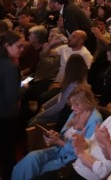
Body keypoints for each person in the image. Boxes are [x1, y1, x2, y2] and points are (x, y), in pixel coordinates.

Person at [12, 85, 103, 180]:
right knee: (31, 158)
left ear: (86, 102)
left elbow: (84, 152)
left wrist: (60, 142)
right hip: (58, 150)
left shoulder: (95, 120)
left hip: (69, 160)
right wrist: (56, 136)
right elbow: (65, 135)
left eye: (76, 104)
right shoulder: (76, 112)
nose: (72, 108)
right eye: (71, 104)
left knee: (37, 171)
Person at [0, 30, 24, 180]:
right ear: (7, 45)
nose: (22, 49)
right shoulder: (10, 67)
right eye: (19, 46)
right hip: (5, 115)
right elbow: (11, 97)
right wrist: (23, 88)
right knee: (7, 154)